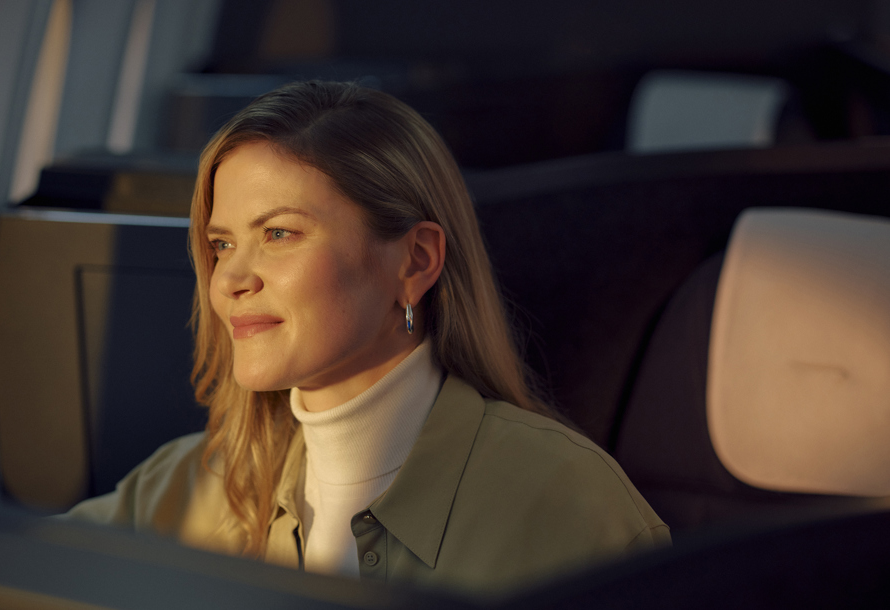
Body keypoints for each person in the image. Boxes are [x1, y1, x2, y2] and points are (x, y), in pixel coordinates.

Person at [66, 80, 670, 596]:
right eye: (221, 244)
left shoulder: (568, 505)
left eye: (278, 234)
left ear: (415, 261)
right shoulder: (183, 489)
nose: (229, 280)